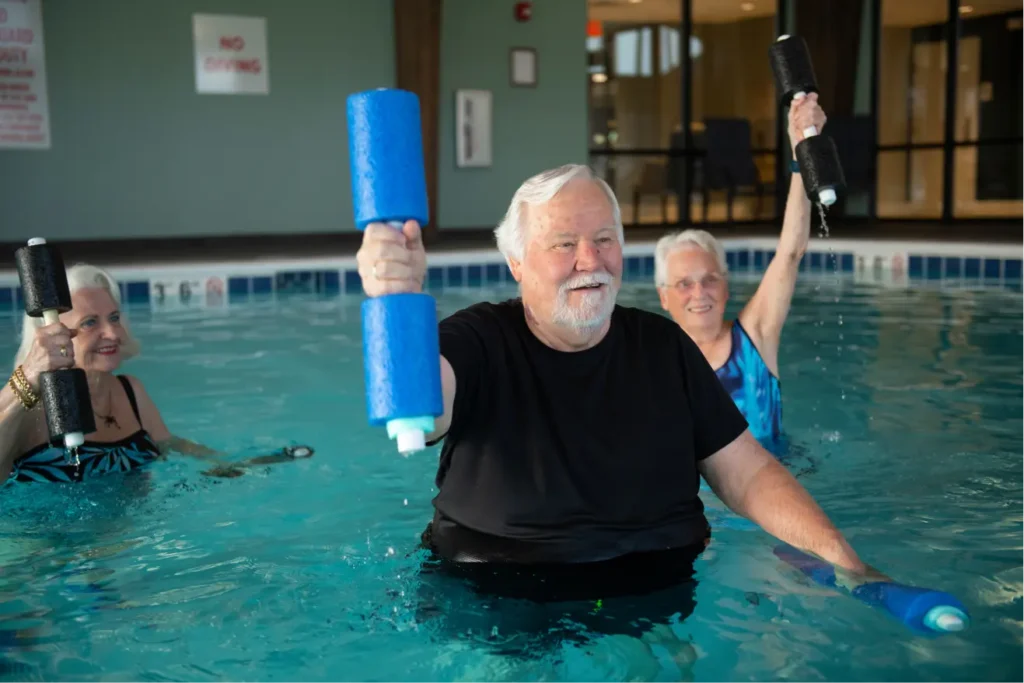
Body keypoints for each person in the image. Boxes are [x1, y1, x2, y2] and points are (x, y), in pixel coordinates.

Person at [355, 162, 872, 654]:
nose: (591, 260)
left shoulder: (662, 347)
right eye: (564, 244)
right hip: (494, 594)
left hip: (653, 589)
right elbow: (422, 413)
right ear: (516, 262)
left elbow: (748, 473)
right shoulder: (479, 340)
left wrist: (844, 560)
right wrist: (397, 302)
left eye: (605, 240)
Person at [1, 263, 308, 484]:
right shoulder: (32, 406)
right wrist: (28, 377)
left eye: (114, 317)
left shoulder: (129, 391)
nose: (112, 333)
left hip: (130, 547)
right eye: (90, 323)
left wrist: (233, 463)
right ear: (53, 335)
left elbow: (169, 445)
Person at [653, 93, 826, 444]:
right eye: (684, 284)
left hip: (768, 492)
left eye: (709, 280)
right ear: (664, 297)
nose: (699, 293)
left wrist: (800, 153)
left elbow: (790, 253)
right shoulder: (653, 367)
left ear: (726, 287)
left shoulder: (754, 340)